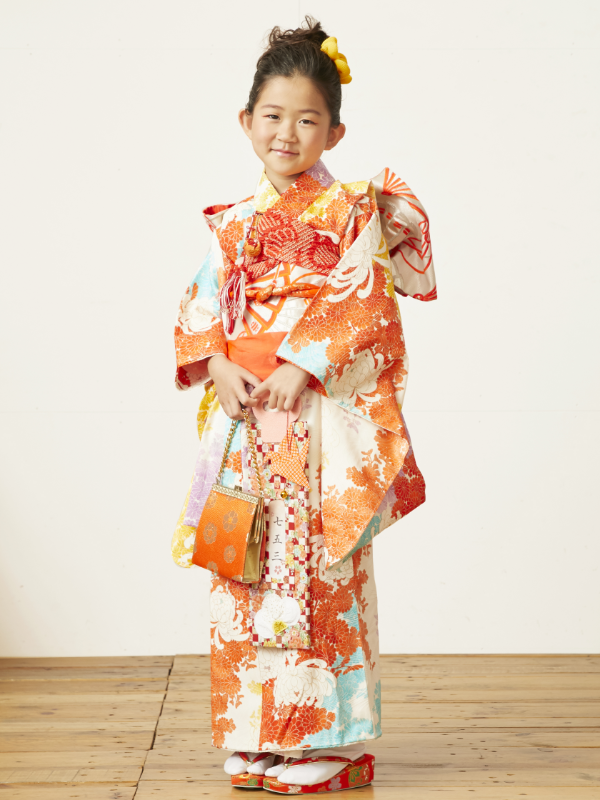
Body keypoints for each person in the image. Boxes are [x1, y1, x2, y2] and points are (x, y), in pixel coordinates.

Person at [171, 17, 436, 794]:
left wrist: (302, 363)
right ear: (247, 121)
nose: (287, 132)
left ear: (335, 130)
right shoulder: (231, 226)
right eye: (273, 116)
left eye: (307, 118)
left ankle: (333, 740)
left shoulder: (353, 209)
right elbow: (201, 307)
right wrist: (215, 359)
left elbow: (371, 301)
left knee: (318, 570)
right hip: (246, 423)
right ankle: (257, 732)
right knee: (242, 568)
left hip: (318, 423)